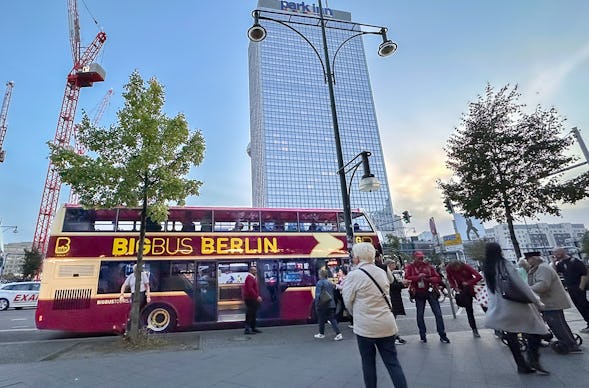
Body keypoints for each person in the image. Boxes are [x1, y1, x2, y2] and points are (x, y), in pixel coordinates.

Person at [342, 242, 408, 388]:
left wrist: (357, 314)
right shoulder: (381, 272)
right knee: (393, 363)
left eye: (353, 256)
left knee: (368, 363)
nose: (352, 258)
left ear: (358, 258)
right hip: (387, 324)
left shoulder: (354, 275)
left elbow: (347, 300)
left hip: (365, 328)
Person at [483, 242, 550, 375]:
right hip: (515, 304)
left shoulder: (486, 267)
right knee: (537, 328)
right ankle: (532, 357)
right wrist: (536, 300)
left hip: (500, 307)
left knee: (511, 335)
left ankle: (521, 365)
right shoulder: (504, 264)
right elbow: (520, 284)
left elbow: (490, 291)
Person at [526, 254, 583, 354]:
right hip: (548, 302)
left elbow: (543, 285)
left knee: (558, 325)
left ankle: (570, 345)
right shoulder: (539, 268)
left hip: (551, 302)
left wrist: (528, 289)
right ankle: (569, 342)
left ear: (534, 258)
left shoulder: (543, 268)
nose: (527, 261)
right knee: (557, 324)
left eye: (528, 259)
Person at [404, 251, 450, 343]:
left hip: (430, 291)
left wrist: (428, 278)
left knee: (438, 314)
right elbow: (407, 277)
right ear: (415, 258)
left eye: (422, 258)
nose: (421, 259)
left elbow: (437, 278)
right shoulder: (410, 267)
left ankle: (442, 334)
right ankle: (422, 335)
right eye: (419, 258)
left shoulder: (428, 266)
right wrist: (418, 277)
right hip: (418, 292)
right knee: (420, 314)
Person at [552, 247, 589, 334]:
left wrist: (581, 287)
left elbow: (584, 273)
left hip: (578, 287)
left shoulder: (574, 261)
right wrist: (554, 262)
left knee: (584, 305)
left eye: (557, 253)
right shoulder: (560, 263)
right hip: (570, 288)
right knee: (579, 306)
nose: (556, 255)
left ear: (562, 252)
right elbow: (554, 272)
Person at [446, 260, 483, 337]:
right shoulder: (449, 268)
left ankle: (497, 328)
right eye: (455, 269)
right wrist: (454, 286)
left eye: (457, 268)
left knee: (485, 306)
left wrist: (468, 282)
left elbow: (479, 276)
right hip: (462, 289)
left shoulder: (466, 266)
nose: (456, 270)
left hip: (472, 287)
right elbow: (449, 277)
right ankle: (474, 329)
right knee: (469, 310)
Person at [119, 264, 151, 330]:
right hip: (133, 295)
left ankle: (131, 329)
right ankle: (140, 328)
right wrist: (122, 295)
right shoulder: (131, 276)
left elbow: (147, 286)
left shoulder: (143, 275)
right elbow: (124, 285)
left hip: (141, 294)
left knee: (134, 311)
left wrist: (148, 296)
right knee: (135, 312)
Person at [314, 269, 343, 341]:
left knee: (321, 319)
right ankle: (338, 334)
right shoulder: (330, 283)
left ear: (320, 275)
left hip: (322, 304)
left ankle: (321, 333)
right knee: (332, 319)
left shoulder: (319, 283)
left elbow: (318, 295)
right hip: (331, 303)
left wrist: (316, 304)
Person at [384, 259, 408, 344]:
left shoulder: (389, 273)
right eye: (393, 264)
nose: (395, 266)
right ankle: (394, 337)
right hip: (393, 298)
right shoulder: (387, 274)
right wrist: (402, 284)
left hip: (394, 297)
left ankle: (394, 336)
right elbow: (392, 285)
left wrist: (402, 284)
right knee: (392, 318)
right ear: (389, 265)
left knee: (393, 317)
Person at [242, 266, 262, 335]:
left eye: (256, 270)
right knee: (250, 313)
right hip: (250, 299)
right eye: (254, 270)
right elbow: (250, 289)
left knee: (253, 313)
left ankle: (253, 328)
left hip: (252, 298)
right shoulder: (249, 278)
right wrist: (257, 296)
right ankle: (247, 329)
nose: (256, 272)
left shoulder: (252, 278)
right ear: (251, 271)